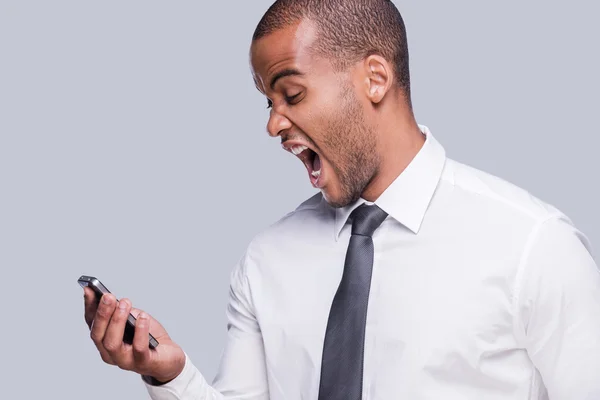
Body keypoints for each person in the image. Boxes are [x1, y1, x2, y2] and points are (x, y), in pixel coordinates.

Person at [82, 0, 600, 399]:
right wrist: (170, 375)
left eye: (292, 94)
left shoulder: (534, 246)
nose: (272, 124)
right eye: (267, 100)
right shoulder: (267, 260)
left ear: (374, 79)